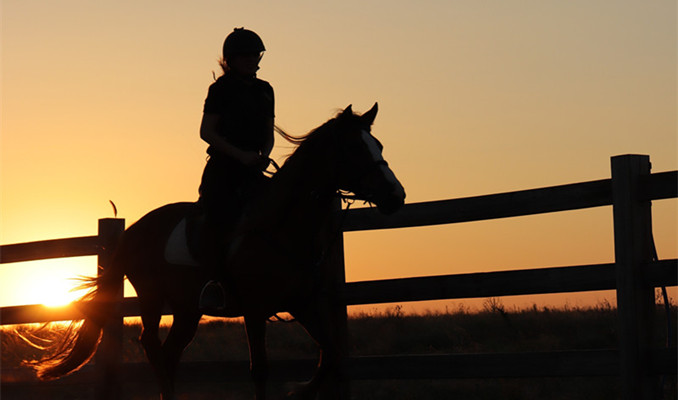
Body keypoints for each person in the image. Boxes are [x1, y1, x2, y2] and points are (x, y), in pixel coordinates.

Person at [197, 28, 275, 310]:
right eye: (246, 55)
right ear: (232, 59)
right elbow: (207, 132)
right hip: (224, 169)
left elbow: (269, 133)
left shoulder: (265, 90)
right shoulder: (220, 90)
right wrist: (240, 155)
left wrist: (263, 155)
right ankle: (215, 282)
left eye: (255, 54)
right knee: (217, 218)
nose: (252, 59)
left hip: (254, 168)